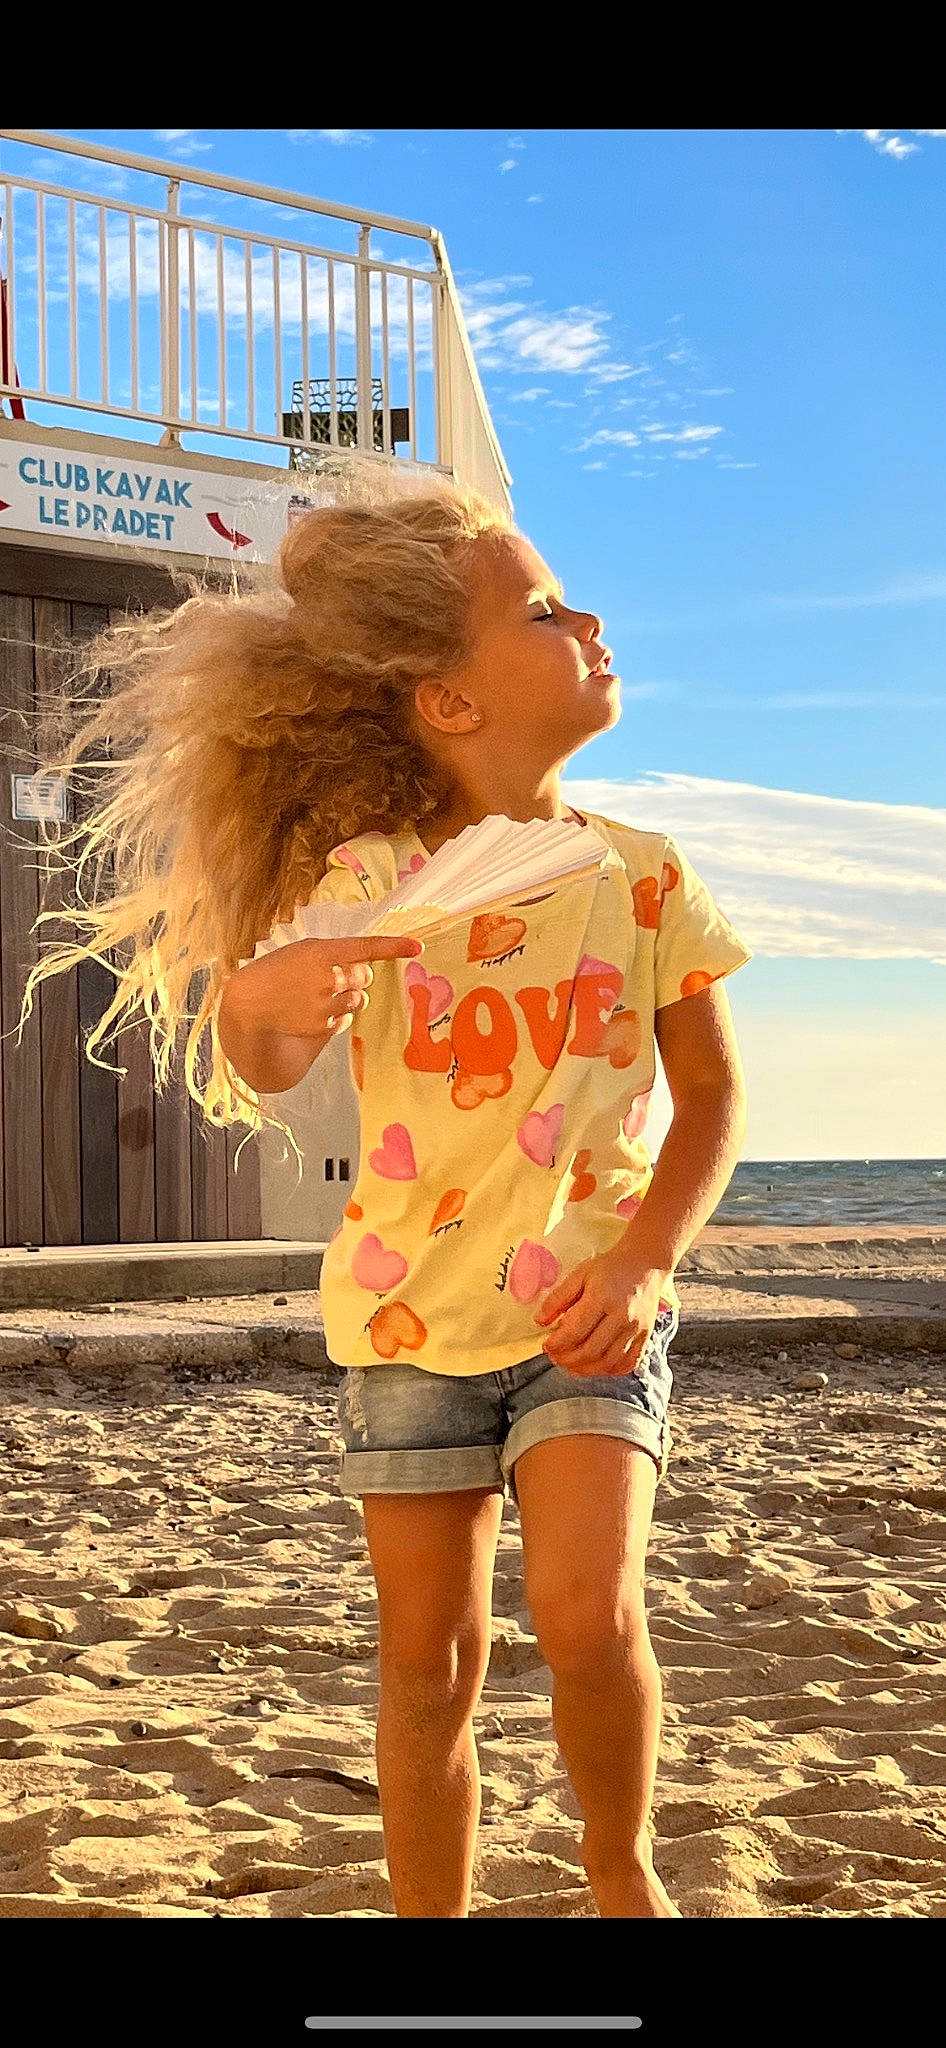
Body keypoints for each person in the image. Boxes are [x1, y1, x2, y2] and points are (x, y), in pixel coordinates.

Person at [20, 474, 752, 1919]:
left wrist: (648, 1264)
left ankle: (623, 1877)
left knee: (588, 1621)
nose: (588, 620)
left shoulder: (645, 876)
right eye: (542, 610)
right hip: (404, 1317)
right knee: (427, 1662)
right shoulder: (367, 880)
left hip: (584, 1314)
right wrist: (262, 996)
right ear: (447, 703)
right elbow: (273, 1049)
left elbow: (712, 1098)